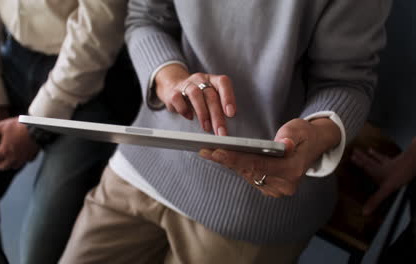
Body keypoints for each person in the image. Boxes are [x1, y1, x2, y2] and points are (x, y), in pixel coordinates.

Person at [59, 0, 392, 263]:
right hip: (143, 164)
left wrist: (314, 136)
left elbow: (347, 82)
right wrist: (173, 81)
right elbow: (146, 18)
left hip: (254, 206)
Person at [0, 0, 140, 263]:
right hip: (15, 60)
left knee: (40, 253)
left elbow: (101, 24)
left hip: (96, 76)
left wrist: (36, 126)